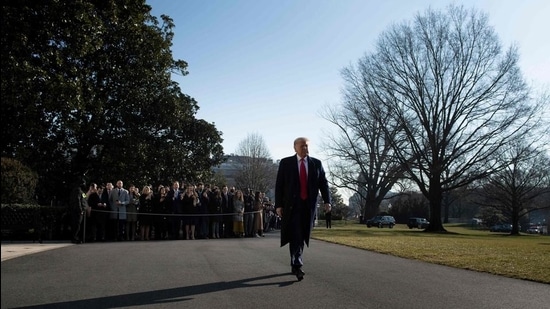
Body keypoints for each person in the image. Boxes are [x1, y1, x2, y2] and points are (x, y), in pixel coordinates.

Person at [275, 137, 331, 281]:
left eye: (306, 146)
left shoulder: (316, 164)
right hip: (292, 206)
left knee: (302, 234)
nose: (305, 149)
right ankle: (298, 263)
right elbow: (279, 185)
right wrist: (278, 205)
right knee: (296, 234)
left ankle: (295, 262)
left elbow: (323, 183)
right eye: (302, 146)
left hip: (308, 206)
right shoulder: (286, 163)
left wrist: (327, 201)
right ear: (295, 148)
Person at [69, 179, 88, 244]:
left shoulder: (81, 191)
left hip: (82, 210)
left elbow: (85, 199)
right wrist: (80, 210)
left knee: (78, 225)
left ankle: (77, 237)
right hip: (78, 211)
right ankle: (74, 238)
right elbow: (78, 201)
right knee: (76, 225)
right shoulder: (78, 190)